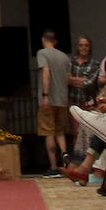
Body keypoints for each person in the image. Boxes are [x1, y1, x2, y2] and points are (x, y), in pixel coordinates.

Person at [35, 30, 71, 176]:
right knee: (60, 131)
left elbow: (46, 72)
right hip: (62, 99)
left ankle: (54, 166)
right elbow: (68, 78)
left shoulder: (42, 53)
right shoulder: (64, 57)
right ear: (55, 41)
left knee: (48, 132)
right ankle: (65, 156)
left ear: (44, 39)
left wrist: (45, 95)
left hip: (49, 100)